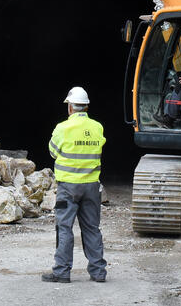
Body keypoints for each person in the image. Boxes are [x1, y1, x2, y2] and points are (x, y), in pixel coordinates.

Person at [42, 86, 107, 284]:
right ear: (86, 107)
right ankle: (98, 273)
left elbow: (53, 151)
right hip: (91, 186)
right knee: (92, 228)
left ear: (70, 107)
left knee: (64, 228)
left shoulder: (62, 128)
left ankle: (62, 272)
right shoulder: (97, 127)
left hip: (68, 187)